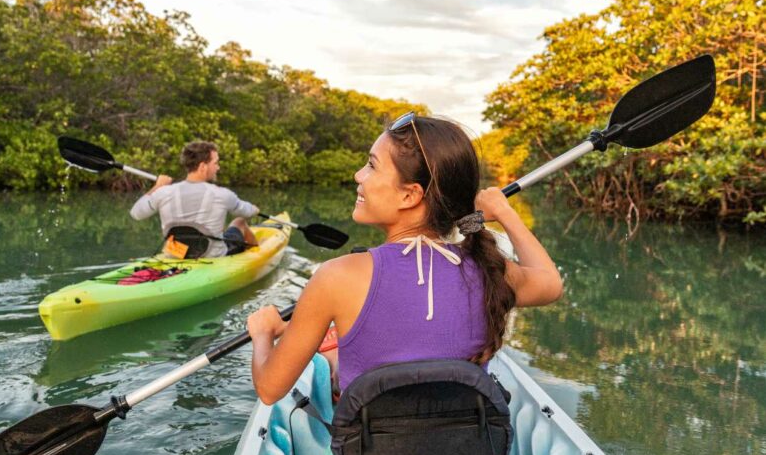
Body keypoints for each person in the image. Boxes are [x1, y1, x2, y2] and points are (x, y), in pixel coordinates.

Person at [247, 113, 563, 405]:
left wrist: (263, 333)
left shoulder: (336, 277)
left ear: (409, 195)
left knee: (332, 361)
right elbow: (550, 283)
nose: (359, 175)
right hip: (470, 451)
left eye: (371, 166)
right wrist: (505, 213)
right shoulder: (489, 269)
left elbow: (270, 389)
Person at [130, 140, 260, 258]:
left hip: (176, 254)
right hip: (212, 255)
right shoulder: (222, 194)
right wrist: (255, 209)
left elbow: (136, 213)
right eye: (215, 163)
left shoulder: (163, 192)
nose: (218, 167)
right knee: (239, 222)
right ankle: (258, 258)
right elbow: (247, 212)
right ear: (203, 166)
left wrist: (157, 186)